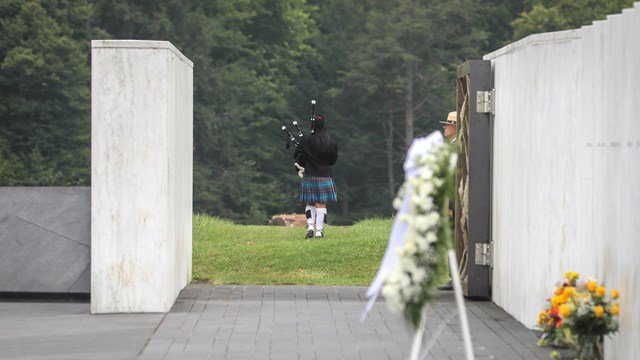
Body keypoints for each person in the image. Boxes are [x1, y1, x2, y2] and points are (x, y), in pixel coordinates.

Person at [293, 114, 338, 239]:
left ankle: (310, 228)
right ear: (323, 125)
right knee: (321, 204)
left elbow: (297, 156)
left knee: (310, 203)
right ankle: (319, 231)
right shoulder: (331, 143)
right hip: (324, 175)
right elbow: (333, 161)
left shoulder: (305, 140)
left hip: (309, 175)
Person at [438, 111, 457, 291]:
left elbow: (453, 180)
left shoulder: (456, 148)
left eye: (448, 124)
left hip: (453, 205)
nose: (445, 127)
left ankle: (455, 277)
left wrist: (450, 206)